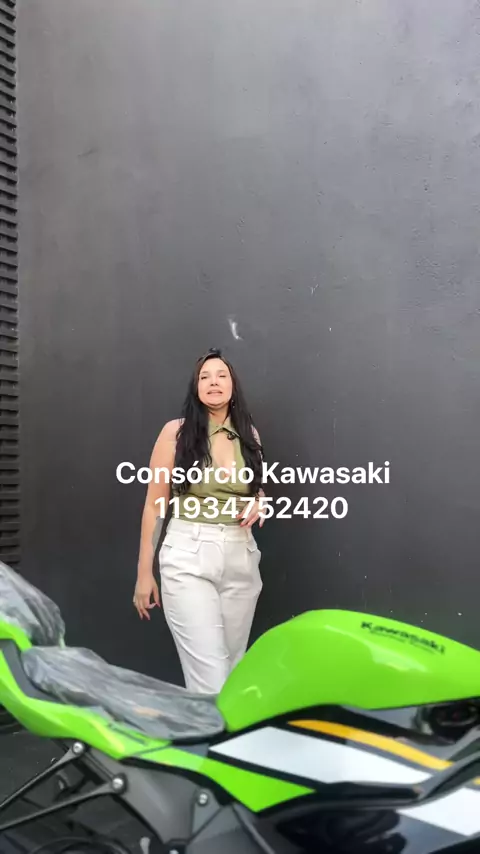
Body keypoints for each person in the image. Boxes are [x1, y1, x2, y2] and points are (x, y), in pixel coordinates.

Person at [133, 347, 266, 694]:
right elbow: (155, 505)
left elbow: (255, 488)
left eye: (221, 375)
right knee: (212, 682)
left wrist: (260, 501)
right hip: (188, 554)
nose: (213, 382)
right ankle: (210, 731)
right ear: (196, 388)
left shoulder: (249, 434)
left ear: (233, 386)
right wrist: (144, 572)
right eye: (204, 377)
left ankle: (218, 730)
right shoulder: (175, 432)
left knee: (234, 676)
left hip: (241, 556)